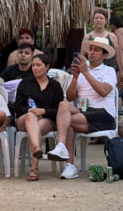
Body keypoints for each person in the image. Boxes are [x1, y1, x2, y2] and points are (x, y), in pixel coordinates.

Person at [48, 38, 117, 178]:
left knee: (66, 122)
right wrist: (74, 78)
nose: (91, 52)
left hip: (104, 114)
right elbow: (70, 97)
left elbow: (103, 91)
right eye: (90, 49)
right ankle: (65, 156)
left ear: (104, 55)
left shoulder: (109, 70)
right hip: (83, 112)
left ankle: (68, 161)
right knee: (63, 105)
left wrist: (85, 73)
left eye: (96, 50)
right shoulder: (81, 71)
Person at [11, 53, 63, 181]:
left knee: (36, 127)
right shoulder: (25, 83)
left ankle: (34, 167)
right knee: (31, 116)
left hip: (47, 120)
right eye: (33, 65)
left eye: (38, 65)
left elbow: (59, 110)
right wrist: (31, 110)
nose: (35, 68)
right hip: (24, 119)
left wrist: (43, 111)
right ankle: (37, 148)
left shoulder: (55, 86)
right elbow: (16, 106)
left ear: (47, 67)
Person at [81, 9, 122, 77]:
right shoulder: (87, 37)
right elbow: (82, 56)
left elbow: (117, 57)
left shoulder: (112, 36)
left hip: (108, 68)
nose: (98, 20)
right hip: (92, 71)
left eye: (101, 18)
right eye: (96, 18)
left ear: (105, 21)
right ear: (93, 21)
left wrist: (121, 72)